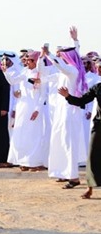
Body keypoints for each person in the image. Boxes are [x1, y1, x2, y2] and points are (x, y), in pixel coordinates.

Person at [39, 43, 87, 189]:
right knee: (59, 140)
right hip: (60, 111)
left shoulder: (72, 70)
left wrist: (49, 54)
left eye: (62, 55)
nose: (60, 57)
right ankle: (62, 172)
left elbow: (60, 66)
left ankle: (74, 177)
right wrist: (41, 58)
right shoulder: (63, 73)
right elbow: (44, 76)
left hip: (70, 111)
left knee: (69, 144)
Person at [4, 51, 50, 171]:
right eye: (26, 60)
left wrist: (37, 109)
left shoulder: (41, 74)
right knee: (22, 133)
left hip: (34, 107)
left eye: (29, 60)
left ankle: (35, 162)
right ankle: (23, 161)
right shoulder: (25, 72)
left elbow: (43, 94)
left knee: (34, 134)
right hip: (23, 106)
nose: (27, 62)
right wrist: (5, 72)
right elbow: (13, 81)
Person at [58, 83, 101, 199]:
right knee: (92, 155)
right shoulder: (97, 87)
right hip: (99, 126)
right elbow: (82, 101)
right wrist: (68, 96)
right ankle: (89, 188)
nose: (98, 70)